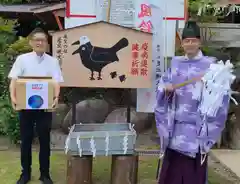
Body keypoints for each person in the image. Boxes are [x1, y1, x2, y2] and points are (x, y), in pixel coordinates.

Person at [155, 20, 230, 184]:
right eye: (186, 40)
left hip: (197, 131)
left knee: (192, 176)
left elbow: (220, 97)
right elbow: (162, 87)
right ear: (182, 43)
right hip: (174, 128)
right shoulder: (175, 64)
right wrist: (166, 90)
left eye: (193, 40)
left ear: (199, 42)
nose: (190, 44)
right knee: (172, 175)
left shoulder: (211, 66)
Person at [8, 28, 63, 184]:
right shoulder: (22, 59)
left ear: (46, 43)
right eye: (37, 39)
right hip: (25, 107)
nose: (40, 42)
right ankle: (25, 173)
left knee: (44, 140)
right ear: (31, 42)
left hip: (44, 108)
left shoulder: (52, 61)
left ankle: (44, 174)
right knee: (26, 140)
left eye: (43, 40)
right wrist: (13, 98)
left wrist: (56, 97)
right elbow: (14, 81)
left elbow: (56, 82)